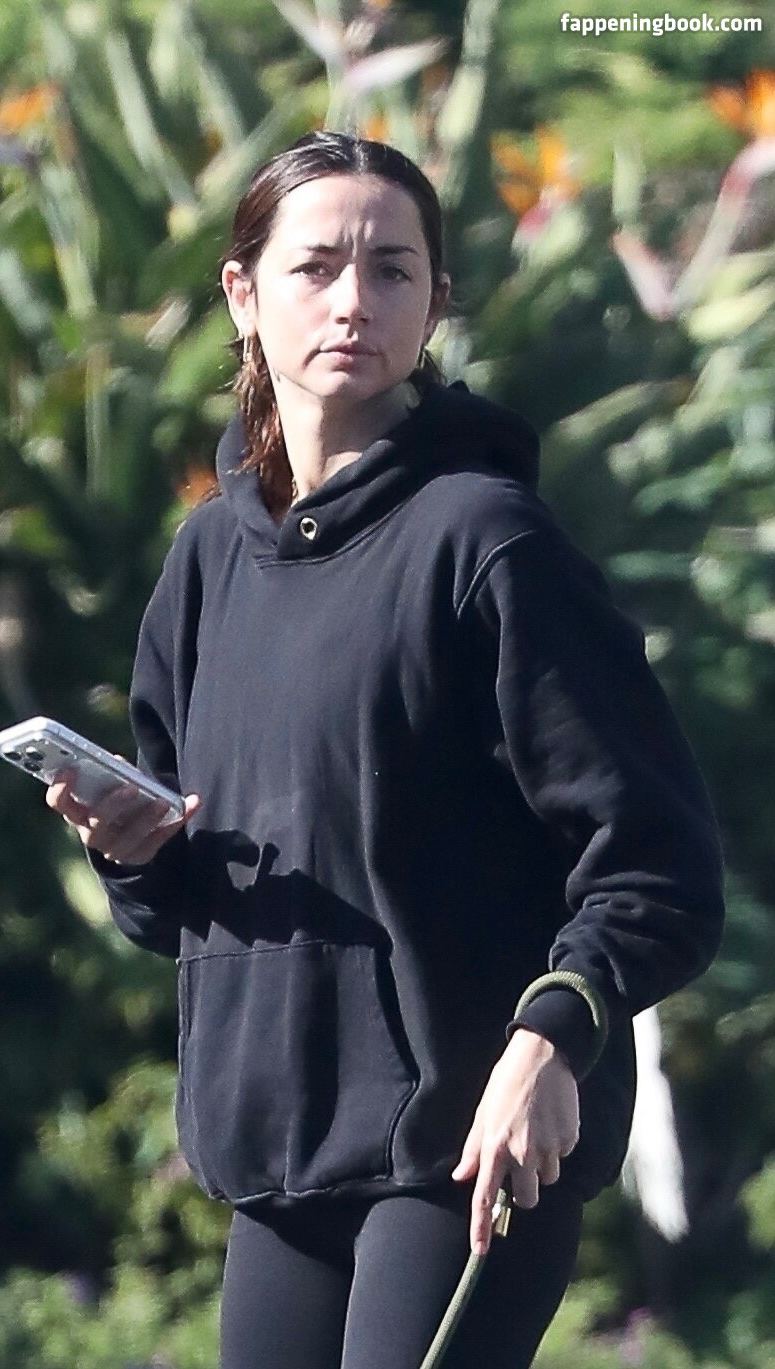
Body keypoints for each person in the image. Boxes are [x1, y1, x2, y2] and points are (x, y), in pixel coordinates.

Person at [46, 132, 726, 1369]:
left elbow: (657, 864)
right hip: (277, 1159)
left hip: (466, 1148)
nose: (354, 300)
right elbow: (186, 904)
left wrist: (551, 1038)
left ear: (434, 302)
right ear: (243, 294)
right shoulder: (207, 562)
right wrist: (135, 851)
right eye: (316, 267)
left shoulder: (488, 541)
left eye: (392, 269)